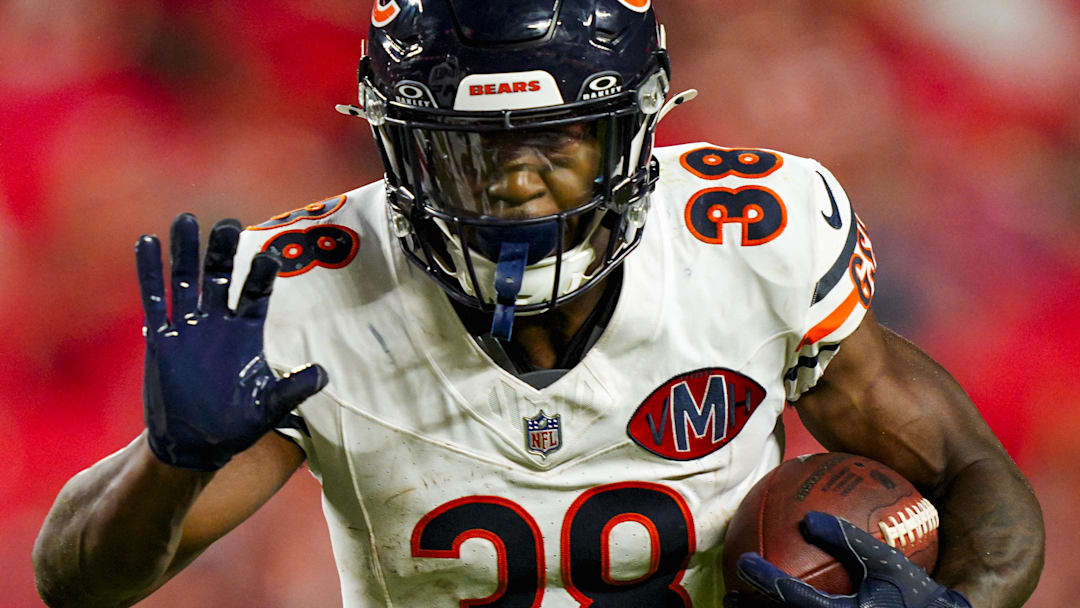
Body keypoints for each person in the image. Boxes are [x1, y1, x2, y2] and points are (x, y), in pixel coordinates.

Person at [33, 1, 1044, 607]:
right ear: (395, 143)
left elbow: (971, 473)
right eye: (473, 152)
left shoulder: (753, 237)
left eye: (555, 142)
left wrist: (952, 599)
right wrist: (168, 467)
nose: (515, 185)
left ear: (637, 130)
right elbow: (78, 580)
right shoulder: (308, 285)